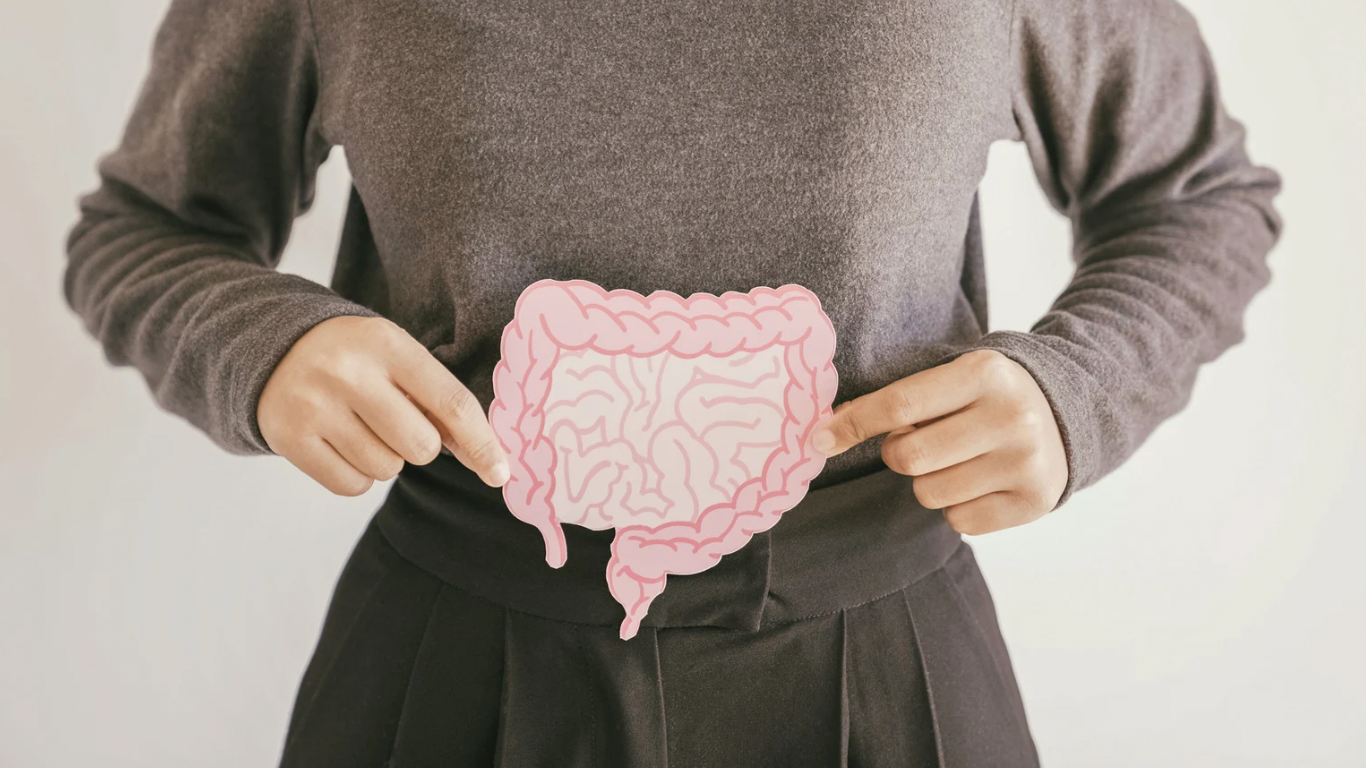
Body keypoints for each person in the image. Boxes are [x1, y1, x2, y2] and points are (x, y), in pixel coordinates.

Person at [64, 0, 1281, 765]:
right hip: (456, 647)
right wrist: (258, 341)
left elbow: (1195, 199)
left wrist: (1083, 384)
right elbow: (144, 226)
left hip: (886, 654)